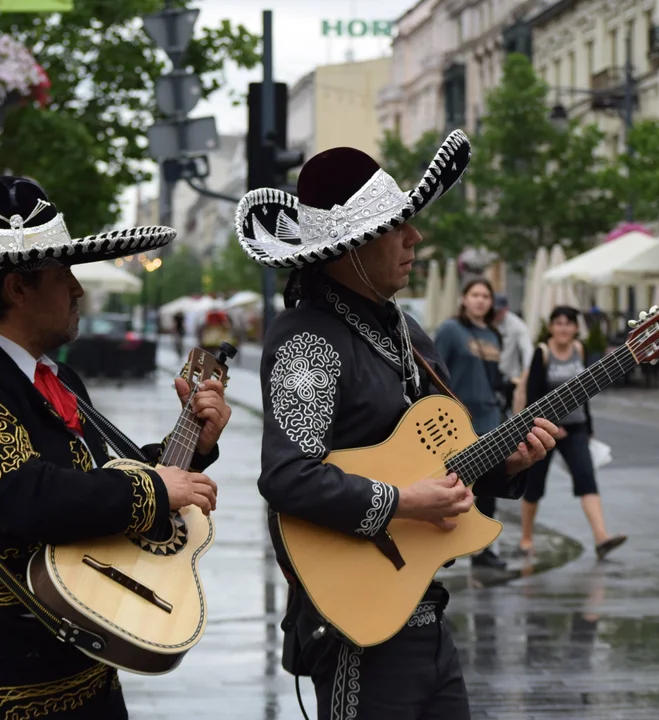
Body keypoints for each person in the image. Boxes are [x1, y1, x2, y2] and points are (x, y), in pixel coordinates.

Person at [0, 176, 233, 719]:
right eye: (62, 273)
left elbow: (92, 478)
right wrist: (152, 489)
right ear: (17, 289)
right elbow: (32, 496)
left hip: (77, 654)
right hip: (0, 679)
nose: (78, 289)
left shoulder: (52, 375)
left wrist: (186, 447)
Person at [235, 131, 558, 719]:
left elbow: (436, 471)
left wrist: (504, 466)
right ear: (351, 248)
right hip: (358, 632)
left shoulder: (408, 334)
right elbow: (288, 478)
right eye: (396, 227)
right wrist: (402, 501)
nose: (416, 236)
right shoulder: (309, 339)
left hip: (426, 615)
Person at [513, 306, 626, 561]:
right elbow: (533, 396)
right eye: (558, 323)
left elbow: (584, 391)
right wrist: (549, 425)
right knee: (534, 485)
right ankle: (526, 538)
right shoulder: (542, 353)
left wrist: (588, 426)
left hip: (575, 428)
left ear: (576, 328)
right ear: (551, 327)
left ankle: (601, 538)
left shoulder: (579, 350)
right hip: (543, 430)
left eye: (568, 324)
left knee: (586, 478)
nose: (563, 328)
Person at [434, 278, 510, 569]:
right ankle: (445, 544)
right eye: (474, 294)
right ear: (464, 299)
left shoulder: (493, 334)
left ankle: (483, 549)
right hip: (457, 419)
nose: (480, 300)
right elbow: (435, 371)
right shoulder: (451, 330)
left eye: (486, 296)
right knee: (454, 484)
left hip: (490, 417)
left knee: (489, 485)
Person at [492, 292, 533, 413]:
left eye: (499, 311)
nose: (496, 314)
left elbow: (527, 352)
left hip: (509, 378)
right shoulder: (484, 323)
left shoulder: (517, 326)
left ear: (506, 309)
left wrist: (524, 377)